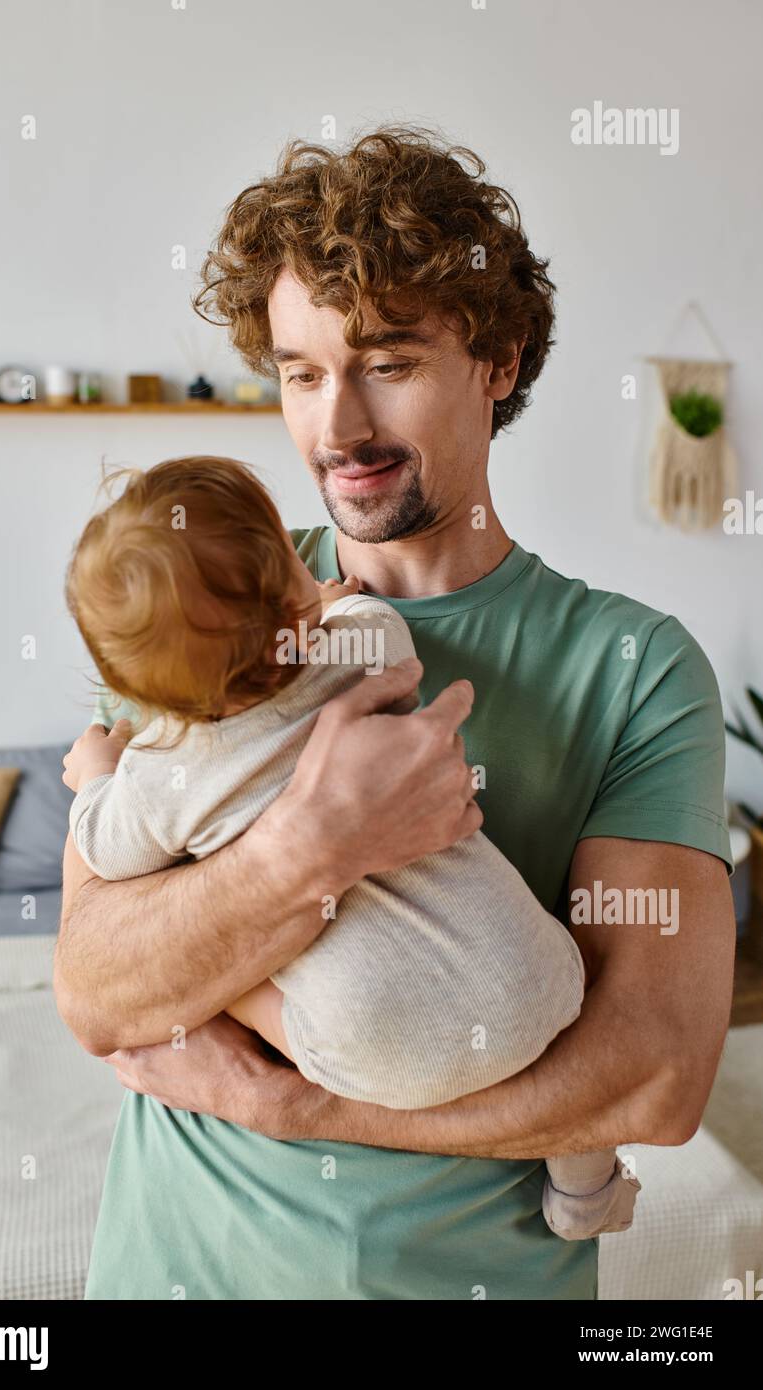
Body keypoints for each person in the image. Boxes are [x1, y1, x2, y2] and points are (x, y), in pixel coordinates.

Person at [54, 126, 735, 1300]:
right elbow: (98, 991)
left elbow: (653, 1081)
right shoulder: (201, 608)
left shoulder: (633, 670)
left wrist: (295, 1100)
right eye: (302, 372)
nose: (338, 426)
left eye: (389, 360)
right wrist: (310, 848)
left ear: (499, 360)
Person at [60, 453, 642, 1243]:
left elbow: (105, 848)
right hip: (538, 982)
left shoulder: (161, 774)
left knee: (214, 935)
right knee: (551, 1059)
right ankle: (585, 1190)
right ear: (296, 612)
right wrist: (327, 614)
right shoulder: (353, 656)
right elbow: (382, 632)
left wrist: (97, 772)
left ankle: (248, 1042)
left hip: (374, 1054)